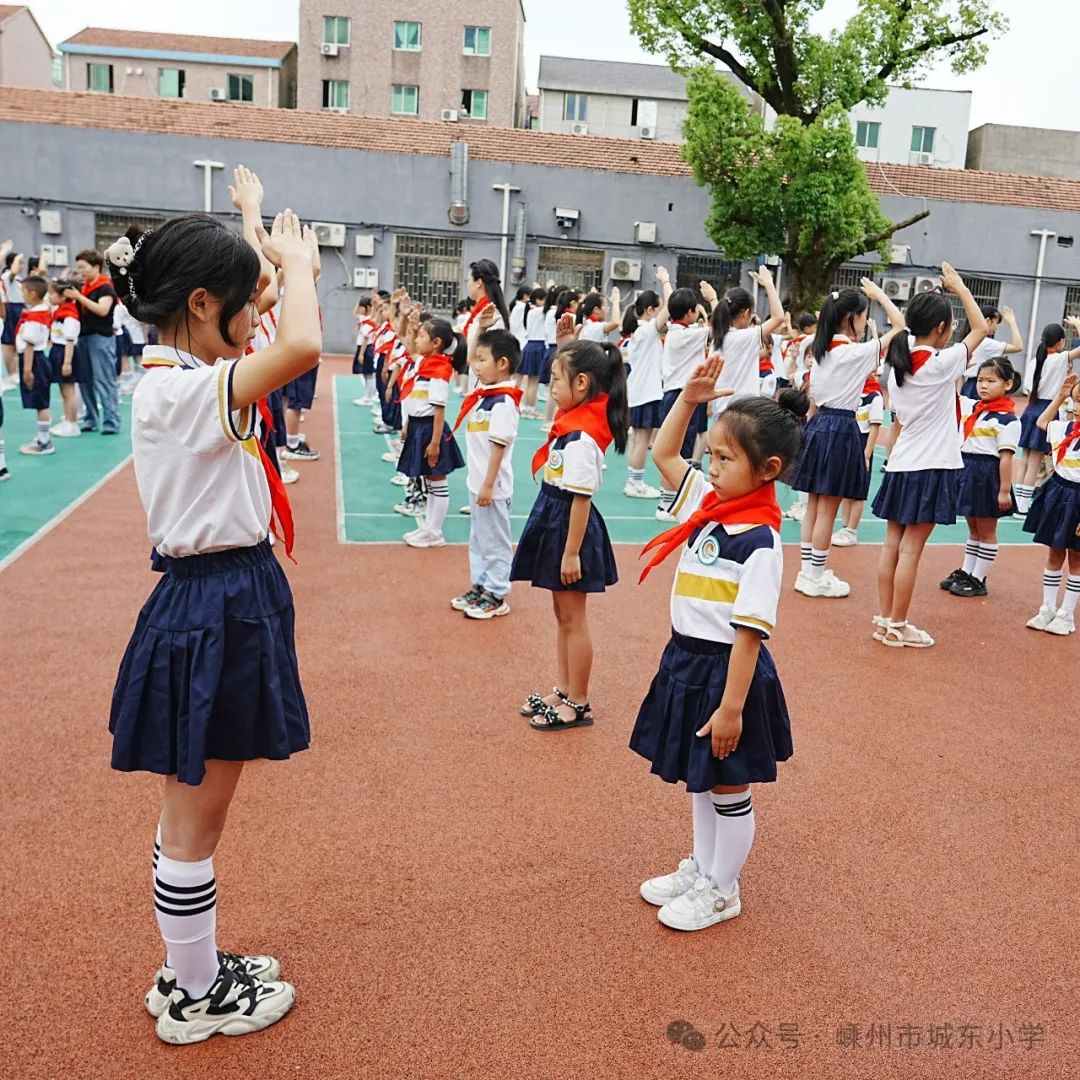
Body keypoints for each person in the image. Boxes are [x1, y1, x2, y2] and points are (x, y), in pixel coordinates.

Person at [107, 196, 321, 1045]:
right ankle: (194, 992)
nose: (258, 311)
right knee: (197, 819)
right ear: (201, 304)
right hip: (218, 601)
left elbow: (262, 318)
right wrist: (298, 267)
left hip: (216, 595)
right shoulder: (186, 395)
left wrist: (256, 239)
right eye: (240, 300)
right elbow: (301, 343)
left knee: (191, 811)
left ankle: (189, 967)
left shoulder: (177, 375)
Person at [630, 356, 799, 932]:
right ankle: (703, 868)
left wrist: (731, 708)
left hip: (729, 674)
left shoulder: (760, 540)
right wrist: (687, 400)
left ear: (767, 469)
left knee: (728, 786)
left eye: (726, 458)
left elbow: (749, 634)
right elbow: (663, 454)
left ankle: (723, 889)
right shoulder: (712, 504)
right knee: (700, 779)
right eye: (712, 454)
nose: (712, 465)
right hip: (687, 659)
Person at [514, 327, 628, 730]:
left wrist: (570, 552)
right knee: (562, 614)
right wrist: (568, 345)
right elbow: (568, 398)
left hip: (570, 527)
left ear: (582, 384)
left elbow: (581, 498)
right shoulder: (573, 419)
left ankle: (578, 701)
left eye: (556, 380)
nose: (549, 388)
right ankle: (563, 689)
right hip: (556, 517)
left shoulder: (582, 436)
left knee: (574, 617)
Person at [872, 264, 988, 648]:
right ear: (939, 328)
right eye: (948, 326)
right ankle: (898, 624)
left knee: (892, 546)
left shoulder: (898, 367)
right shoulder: (939, 364)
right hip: (932, 465)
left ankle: (886, 618)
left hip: (903, 464)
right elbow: (982, 329)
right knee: (910, 551)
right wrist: (959, 287)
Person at [790, 281, 905, 597]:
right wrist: (881, 296)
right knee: (827, 508)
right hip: (841, 426)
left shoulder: (822, 348)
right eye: (862, 315)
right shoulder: (854, 351)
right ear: (851, 317)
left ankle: (808, 572)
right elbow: (900, 325)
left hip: (819, 423)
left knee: (814, 505)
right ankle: (815, 576)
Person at [450, 327, 522, 618]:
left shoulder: (503, 402)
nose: (475, 365)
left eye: (482, 360)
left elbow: (498, 449)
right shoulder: (483, 395)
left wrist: (488, 485)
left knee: (495, 541)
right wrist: (480, 329)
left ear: (502, 364)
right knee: (479, 539)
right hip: (478, 485)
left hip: (492, 488)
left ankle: (496, 592)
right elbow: (468, 359)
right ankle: (480, 584)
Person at [940, 356, 1021, 597]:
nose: (983, 386)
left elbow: (1006, 457)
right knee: (973, 527)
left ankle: (979, 578)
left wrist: (1004, 490)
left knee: (986, 528)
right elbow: (953, 390)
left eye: (991, 381)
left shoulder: (1008, 419)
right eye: (980, 380)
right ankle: (968, 571)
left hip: (987, 475)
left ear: (1007, 384)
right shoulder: (972, 408)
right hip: (967, 470)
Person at [395, 310, 466, 547]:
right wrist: (407, 423)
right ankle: (429, 527)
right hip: (418, 427)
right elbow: (409, 347)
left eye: (422, 336)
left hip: (430, 430)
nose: (417, 340)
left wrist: (435, 442)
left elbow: (438, 410)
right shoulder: (425, 364)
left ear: (435, 343)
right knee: (430, 481)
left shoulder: (439, 370)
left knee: (438, 481)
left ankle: (435, 532)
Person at [1023, 372, 1080, 635]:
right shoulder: (1064, 429)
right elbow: (1043, 421)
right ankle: (1047, 608)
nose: (1077, 408)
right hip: (1056, 493)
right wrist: (1059, 396)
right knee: (1053, 553)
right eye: (1076, 401)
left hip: (1078, 499)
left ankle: (1067, 614)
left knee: (1076, 559)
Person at [655, 282, 718, 520]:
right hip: (682, 395)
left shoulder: (674, 332)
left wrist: (667, 283)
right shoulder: (690, 334)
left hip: (675, 393)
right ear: (690, 312)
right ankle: (667, 504)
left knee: (675, 448)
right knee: (676, 451)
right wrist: (712, 301)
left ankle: (668, 501)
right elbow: (719, 328)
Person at [1014, 321, 1080, 515]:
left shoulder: (1036, 359)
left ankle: (1018, 501)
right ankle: (1024, 505)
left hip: (1031, 408)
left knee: (1024, 458)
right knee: (1034, 461)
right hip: (1047, 408)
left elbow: (1027, 388)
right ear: (1060, 341)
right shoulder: (1059, 359)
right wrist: (1078, 326)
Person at [623, 271, 671, 499]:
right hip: (646, 393)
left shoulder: (639, 333)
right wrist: (665, 281)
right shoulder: (646, 330)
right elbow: (672, 307)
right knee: (642, 438)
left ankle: (633, 480)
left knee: (639, 439)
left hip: (639, 391)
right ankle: (636, 482)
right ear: (650, 310)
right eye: (658, 309)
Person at [65, 249, 119, 434]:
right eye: (78, 267)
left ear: (96, 267)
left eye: (83, 267)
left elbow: (103, 310)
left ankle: (111, 421)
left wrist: (79, 298)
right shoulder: (83, 287)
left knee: (104, 380)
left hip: (101, 338)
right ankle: (91, 418)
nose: (80, 271)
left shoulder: (106, 288)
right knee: (85, 381)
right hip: (83, 338)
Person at [832, 367, 884, 547]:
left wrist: (866, 455)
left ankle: (852, 530)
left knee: (857, 492)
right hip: (847, 442)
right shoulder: (851, 392)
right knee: (846, 491)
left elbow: (875, 427)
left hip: (862, 444)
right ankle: (845, 527)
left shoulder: (874, 397)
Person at [14, 275, 56, 456]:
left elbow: (30, 345)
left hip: (34, 361)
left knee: (41, 403)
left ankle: (45, 442)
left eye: (23, 291)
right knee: (41, 401)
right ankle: (42, 437)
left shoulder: (34, 317)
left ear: (32, 294)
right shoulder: (40, 311)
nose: (21, 294)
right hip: (37, 360)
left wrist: (27, 370)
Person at [958, 305, 1023, 401]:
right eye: (996, 323)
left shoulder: (969, 339)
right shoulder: (986, 343)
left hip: (968, 386)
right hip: (980, 386)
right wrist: (1012, 322)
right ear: (988, 321)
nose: (996, 327)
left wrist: (959, 393)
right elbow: (1018, 347)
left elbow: (961, 373)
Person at [47, 278, 83, 437]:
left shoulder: (69, 315)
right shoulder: (59, 311)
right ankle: (67, 419)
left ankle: (72, 423)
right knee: (64, 391)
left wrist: (67, 362)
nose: (49, 296)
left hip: (65, 353)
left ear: (63, 296)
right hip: (57, 351)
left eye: (52, 293)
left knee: (68, 391)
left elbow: (69, 340)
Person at [517, 287, 548, 417]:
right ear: (539, 300)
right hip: (538, 345)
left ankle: (527, 406)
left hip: (530, 345)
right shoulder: (540, 311)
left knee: (531, 380)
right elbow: (551, 308)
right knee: (533, 381)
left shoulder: (530, 310)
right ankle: (530, 407)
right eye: (545, 300)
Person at [1, 247, 25, 389]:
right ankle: (10, 373)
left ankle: (15, 371)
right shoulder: (7, 276)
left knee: (17, 341)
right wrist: (12, 254)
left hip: (20, 308)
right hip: (11, 308)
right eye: (19, 262)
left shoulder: (18, 279)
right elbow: (13, 271)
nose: (21, 265)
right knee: (9, 342)